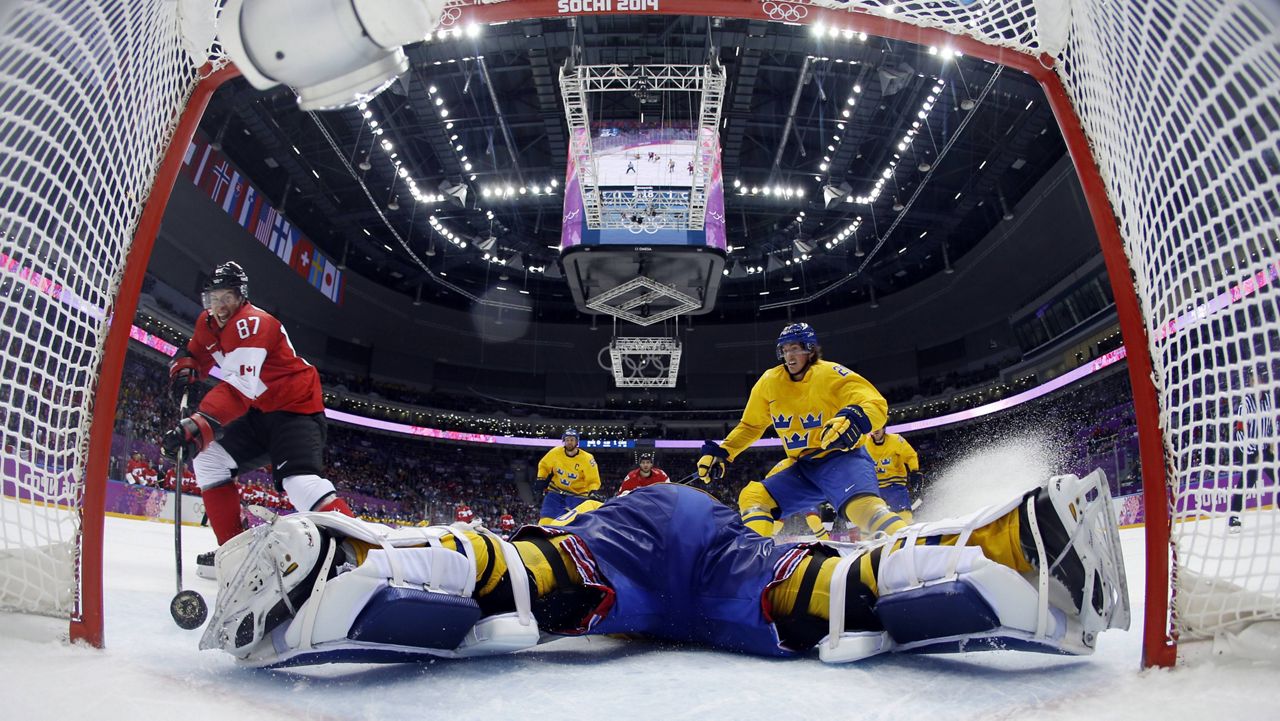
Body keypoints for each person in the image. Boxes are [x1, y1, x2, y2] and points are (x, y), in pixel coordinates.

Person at [199, 470, 1130, 669]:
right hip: (712, 535)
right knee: (826, 592)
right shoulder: (724, 497)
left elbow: (543, 535)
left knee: (526, 574)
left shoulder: (589, 500)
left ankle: (344, 555)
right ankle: (1023, 539)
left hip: (630, 540)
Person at [161, 261, 352, 578]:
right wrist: (185, 366)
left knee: (299, 484)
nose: (219, 307)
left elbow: (238, 389)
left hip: (295, 410)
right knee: (209, 460)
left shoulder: (253, 323)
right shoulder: (207, 323)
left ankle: (359, 553)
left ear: (241, 297)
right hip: (260, 411)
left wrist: (197, 425)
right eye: (213, 299)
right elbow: (196, 351)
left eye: (227, 298)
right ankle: (236, 552)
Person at [694, 322, 906, 539]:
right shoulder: (769, 382)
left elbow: (875, 403)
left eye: (795, 348)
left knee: (863, 509)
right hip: (804, 467)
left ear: (810, 349)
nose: (789, 356)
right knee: (754, 496)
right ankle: (755, 554)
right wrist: (724, 452)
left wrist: (855, 418)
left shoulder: (829, 373)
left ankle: (910, 541)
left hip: (842, 459)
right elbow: (751, 425)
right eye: (785, 350)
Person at [1229, 365, 1275, 531]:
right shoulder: (1245, 404)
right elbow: (1240, 433)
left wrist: (1271, 442)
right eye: (1252, 379)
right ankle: (1233, 516)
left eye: (1258, 379)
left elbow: (1273, 421)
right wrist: (1253, 452)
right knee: (1247, 481)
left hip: (1264, 448)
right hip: (1248, 450)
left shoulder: (1268, 400)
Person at [535, 428, 601, 524]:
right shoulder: (555, 452)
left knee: (574, 523)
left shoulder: (587, 458)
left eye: (572, 440)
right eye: (567, 440)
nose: (569, 442)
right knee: (545, 521)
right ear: (563, 441)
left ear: (577, 442)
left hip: (578, 495)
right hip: (555, 492)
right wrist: (541, 478)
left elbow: (593, 479)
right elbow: (544, 465)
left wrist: (593, 491)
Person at [864, 427, 923, 524]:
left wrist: (914, 471)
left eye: (879, 426)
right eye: (874, 426)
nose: (876, 429)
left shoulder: (896, 440)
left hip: (894, 485)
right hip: (874, 487)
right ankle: (869, 536)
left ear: (884, 427)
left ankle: (906, 529)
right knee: (870, 517)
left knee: (903, 512)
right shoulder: (864, 443)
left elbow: (910, 456)